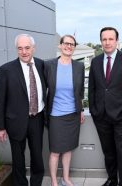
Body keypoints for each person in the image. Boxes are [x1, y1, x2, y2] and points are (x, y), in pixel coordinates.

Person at [88, 27, 122, 186]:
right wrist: (93, 110)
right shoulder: (95, 62)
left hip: (121, 117)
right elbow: (92, 88)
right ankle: (112, 180)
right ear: (101, 41)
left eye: (111, 39)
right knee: (108, 153)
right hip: (101, 117)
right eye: (104, 39)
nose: (107, 42)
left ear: (116, 41)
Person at [0, 34, 46, 186]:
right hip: (15, 121)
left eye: (27, 48)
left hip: (37, 119)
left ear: (33, 48)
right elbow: (0, 100)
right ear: (17, 49)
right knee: (18, 159)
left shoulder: (42, 65)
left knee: (37, 156)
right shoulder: (6, 70)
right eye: (20, 48)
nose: (24, 52)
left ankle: (36, 183)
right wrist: (1, 127)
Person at [44, 35, 85, 186]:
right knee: (55, 151)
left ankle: (65, 178)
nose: (69, 46)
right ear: (60, 46)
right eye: (66, 43)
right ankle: (54, 181)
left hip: (73, 115)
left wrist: (80, 110)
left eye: (72, 44)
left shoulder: (79, 67)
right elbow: (43, 89)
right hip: (55, 115)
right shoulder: (49, 65)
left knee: (68, 150)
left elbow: (80, 91)